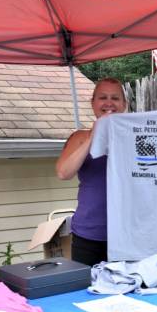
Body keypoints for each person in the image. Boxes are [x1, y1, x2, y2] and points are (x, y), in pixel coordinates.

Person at [56, 77, 127, 266]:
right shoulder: (80, 137)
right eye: (103, 97)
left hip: (130, 234)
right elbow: (64, 173)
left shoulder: (136, 135)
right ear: (93, 103)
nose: (109, 103)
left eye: (115, 98)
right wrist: (93, 137)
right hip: (89, 235)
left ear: (124, 104)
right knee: (88, 292)